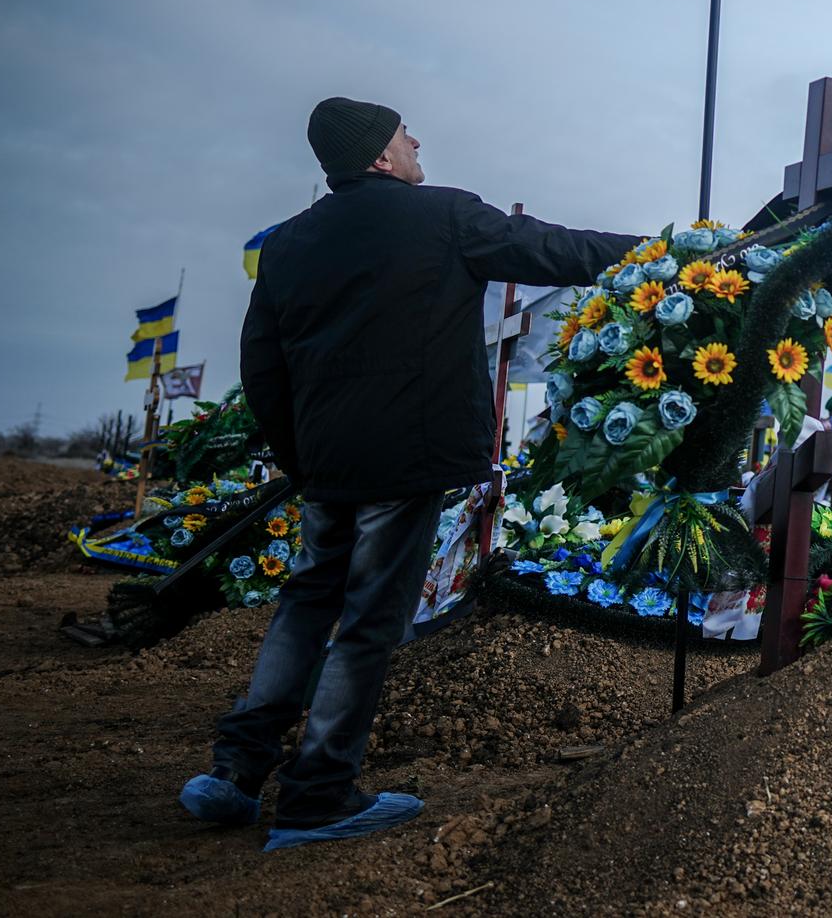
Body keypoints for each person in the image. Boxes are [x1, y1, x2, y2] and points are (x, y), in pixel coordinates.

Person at [180, 97, 640, 850]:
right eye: (403, 134)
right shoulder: (446, 217)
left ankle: (232, 773)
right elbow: (559, 250)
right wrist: (668, 255)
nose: (416, 140)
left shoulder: (288, 244)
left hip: (327, 463)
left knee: (305, 603)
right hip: (407, 458)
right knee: (367, 622)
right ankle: (317, 796)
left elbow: (259, 365)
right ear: (379, 158)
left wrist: (304, 458)